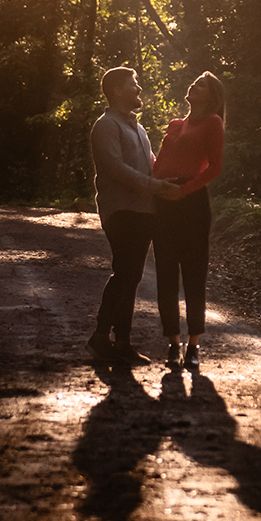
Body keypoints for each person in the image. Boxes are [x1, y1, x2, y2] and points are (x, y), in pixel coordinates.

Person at [88, 66, 180, 366]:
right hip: (121, 209)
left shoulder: (138, 129)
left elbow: (151, 165)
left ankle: (121, 341)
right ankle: (101, 336)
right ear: (117, 90)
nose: (139, 88)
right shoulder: (106, 125)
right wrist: (155, 186)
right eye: (133, 84)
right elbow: (115, 168)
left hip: (143, 210)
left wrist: (172, 181)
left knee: (132, 275)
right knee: (126, 272)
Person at [152, 72, 226, 372]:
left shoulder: (213, 122)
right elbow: (158, 164)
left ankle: (194, 344)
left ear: (211, 96)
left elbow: (215, 167)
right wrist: (155, 188)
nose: (194, 85)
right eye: (194, 82)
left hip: (192, 203)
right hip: (163, 200)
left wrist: (183, 191)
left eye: (201, 84)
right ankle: (173, 343)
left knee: (194, 274)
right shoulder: (174, 125)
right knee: (166, 272)